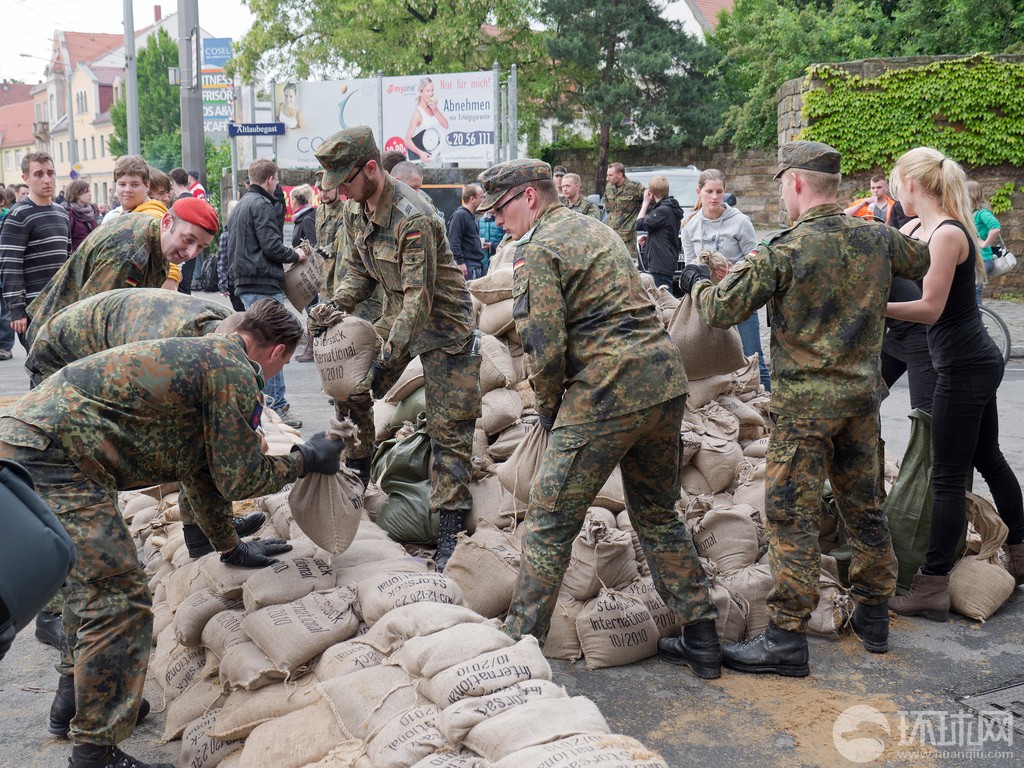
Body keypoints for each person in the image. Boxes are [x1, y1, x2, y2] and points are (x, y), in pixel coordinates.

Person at [0, 298, 344, 768]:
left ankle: (76, 700)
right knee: (119, 598)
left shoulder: (208, 357)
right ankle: (95, 754)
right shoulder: (233, 371)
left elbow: (199, 470)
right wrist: (306, 459)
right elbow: (239, 478)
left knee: (91, 580)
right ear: (277, 351)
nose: (277, 373)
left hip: (41, 442)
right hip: (56, 456)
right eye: (283, 363)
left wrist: (229, 545)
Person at [678, 140, 931, 675]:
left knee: (792, 515)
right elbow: (923, 254)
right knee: (864, 506)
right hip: (862, 401)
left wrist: (699, 284)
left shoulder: (784, 250)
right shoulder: (878, 238)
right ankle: (874, 617)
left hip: (804, 412)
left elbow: (723, 310)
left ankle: (786, 639)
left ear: (794, 182)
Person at [478, 158, 721, 678]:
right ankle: (703, 638)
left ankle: (520, 647)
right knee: (656, 513)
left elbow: (543, 346)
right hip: (662, 383)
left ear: (528, 197)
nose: (497, 220)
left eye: (500, 208)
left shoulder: (537, 248)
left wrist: (547, 411)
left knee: (548, 520)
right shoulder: (597, 229)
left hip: (606, 393)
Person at [314, 126, 480, 569]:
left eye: (345, 183)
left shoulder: (414, 217)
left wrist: (386, 361)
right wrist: (335, 306)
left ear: (372, 169)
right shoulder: (354, 210)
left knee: (450, 427)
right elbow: (358, 274)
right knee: (350, 392)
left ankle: (448, 527)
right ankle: (359, 474)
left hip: (444, 326)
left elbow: (419, 301)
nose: (341, 194)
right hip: (395, 314)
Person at [885, 148, 1024, 619]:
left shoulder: (947, 234)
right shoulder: (912, 230)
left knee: (945, 477)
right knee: (987, 457)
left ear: (912, 183)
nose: (891, 191)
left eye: (895, 182)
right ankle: (1022, 553)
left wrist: (875, 309)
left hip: (965, 366)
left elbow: (930, 309)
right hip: (968, 362)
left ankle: (931, 586)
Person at [26, 198, 218, 348]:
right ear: (167, 222)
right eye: (188, 239)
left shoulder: (155, 238)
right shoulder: (128, 252)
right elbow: (92, 320)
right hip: (58, 345)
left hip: (66, 339)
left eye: (201, 247)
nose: (191, 253)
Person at [229, 158, 307, 429]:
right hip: (262, 283)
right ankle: (277, 407)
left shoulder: (240, 205)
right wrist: (295, 254)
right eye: (276, 181)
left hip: (244, 283)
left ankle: (263, 406)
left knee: (256, 346)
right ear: (271, 179)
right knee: (275, 345)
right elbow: (272, 246)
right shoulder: (261, 205)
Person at [681, 169, 771, 391]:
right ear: (699, 192)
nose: (714, 197)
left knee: (753, 356)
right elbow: (689, 268)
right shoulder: (689, 225)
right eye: (709, 191)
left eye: (719, 191)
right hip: (707, 302)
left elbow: (756, 260)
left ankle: (767, 407)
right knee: (711, 361)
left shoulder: (740, 222)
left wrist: (734, 270)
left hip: (739, 298)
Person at [0, 151, 71, 351]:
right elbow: (10, 264)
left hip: (60, 305)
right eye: (39, 174)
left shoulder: (61, 213)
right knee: (41, 370)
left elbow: (67, 261)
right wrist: (17, 309)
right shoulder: (18, 215)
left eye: (50, 173)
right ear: (26, 178)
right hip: (33, 308)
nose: (47, 179)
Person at [635, 174, 683, 290]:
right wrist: (650, 239)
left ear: (651, 192)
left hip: (660, 263)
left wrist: (645, 203)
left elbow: (639, 224)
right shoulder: (668, 208)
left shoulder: (663, 210)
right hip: (664, 260)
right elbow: (665, 232)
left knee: (663, 298)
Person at [289, 184, 320, 363]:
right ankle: (311, 347)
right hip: (304, 269)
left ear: (295, 200)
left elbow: (312, 245)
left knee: (312, 308)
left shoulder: (306, 219)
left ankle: (312, 348)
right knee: (311, 309)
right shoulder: (302, 218)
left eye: (292, 200)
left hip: (308, 271)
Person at [967, 180, 1002, 305]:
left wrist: (984, 243)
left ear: (971, 195)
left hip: (982, 260)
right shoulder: (971, 213)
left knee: (975, 294)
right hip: (976, 260)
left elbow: (996, 228)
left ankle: (979, 323)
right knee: (971, 293)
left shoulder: (982, 213)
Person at [447, 183, 487, 279]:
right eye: (481, 197)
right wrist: (460, 263)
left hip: (475, 266)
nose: (484, 200)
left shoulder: (470, 216)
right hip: (468, 267)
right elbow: (453, 241)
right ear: (472, 199)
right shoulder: (460, 215)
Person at [405, 77, 449, 162]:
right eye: (428, 91)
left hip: (437, 157)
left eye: (432, 90)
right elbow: (407, 140)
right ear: (420, 92)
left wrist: (435, 110)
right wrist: (420, 153)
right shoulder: (418, 113)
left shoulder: (433, 108)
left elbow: (446, 125)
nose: (431, 94)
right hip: (424, 161)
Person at [604, 162, 644, 254]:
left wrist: (640, 218)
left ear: (620, 175)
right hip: (612, 236)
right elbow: (608, 208)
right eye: (607, 175)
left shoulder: (634, 187)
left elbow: (650, 202)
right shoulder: (609, 187)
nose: (607, 178)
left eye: (610, 175)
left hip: (628, 238)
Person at [101, 156, 151, 224]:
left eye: (134, 185)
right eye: (122, 184)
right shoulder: (112, 218)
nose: (127, 190)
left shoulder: (151, 219)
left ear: (147, 186)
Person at [216, 200, 245, 312]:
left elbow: (222, 262)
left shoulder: (225, 236)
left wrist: (223, 284)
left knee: (240, 313)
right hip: (244, 280)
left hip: (233, 281)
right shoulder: (246, 234)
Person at [64, 179, 100, 253]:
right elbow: (68, 241)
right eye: (86, 192)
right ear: (77, 194)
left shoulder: (92, 211)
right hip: (77, 257)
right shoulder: (69, 214)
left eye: (89, 191)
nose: (90, 194)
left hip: (92, 255)